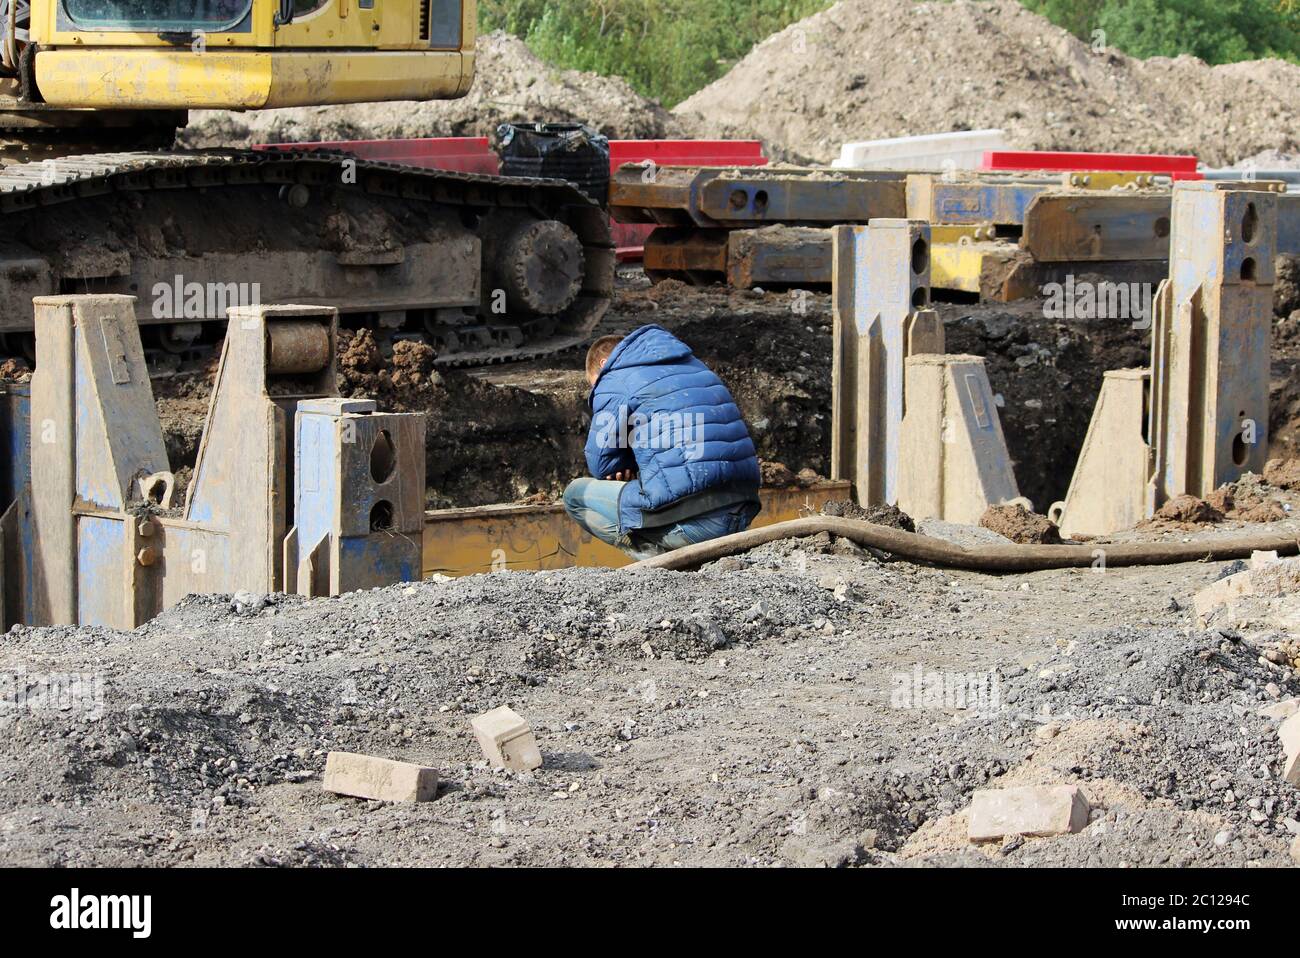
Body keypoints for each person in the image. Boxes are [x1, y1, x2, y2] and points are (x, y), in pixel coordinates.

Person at [563, 324, 761, 560]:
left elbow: (601, 464)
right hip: (742, 509)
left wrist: (626, 462)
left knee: (575, 495)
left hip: (694, 522)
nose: (597, 390)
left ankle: (657, 562)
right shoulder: (698, 368)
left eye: (593, 384)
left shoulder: (614, 377)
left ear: (604, 363)